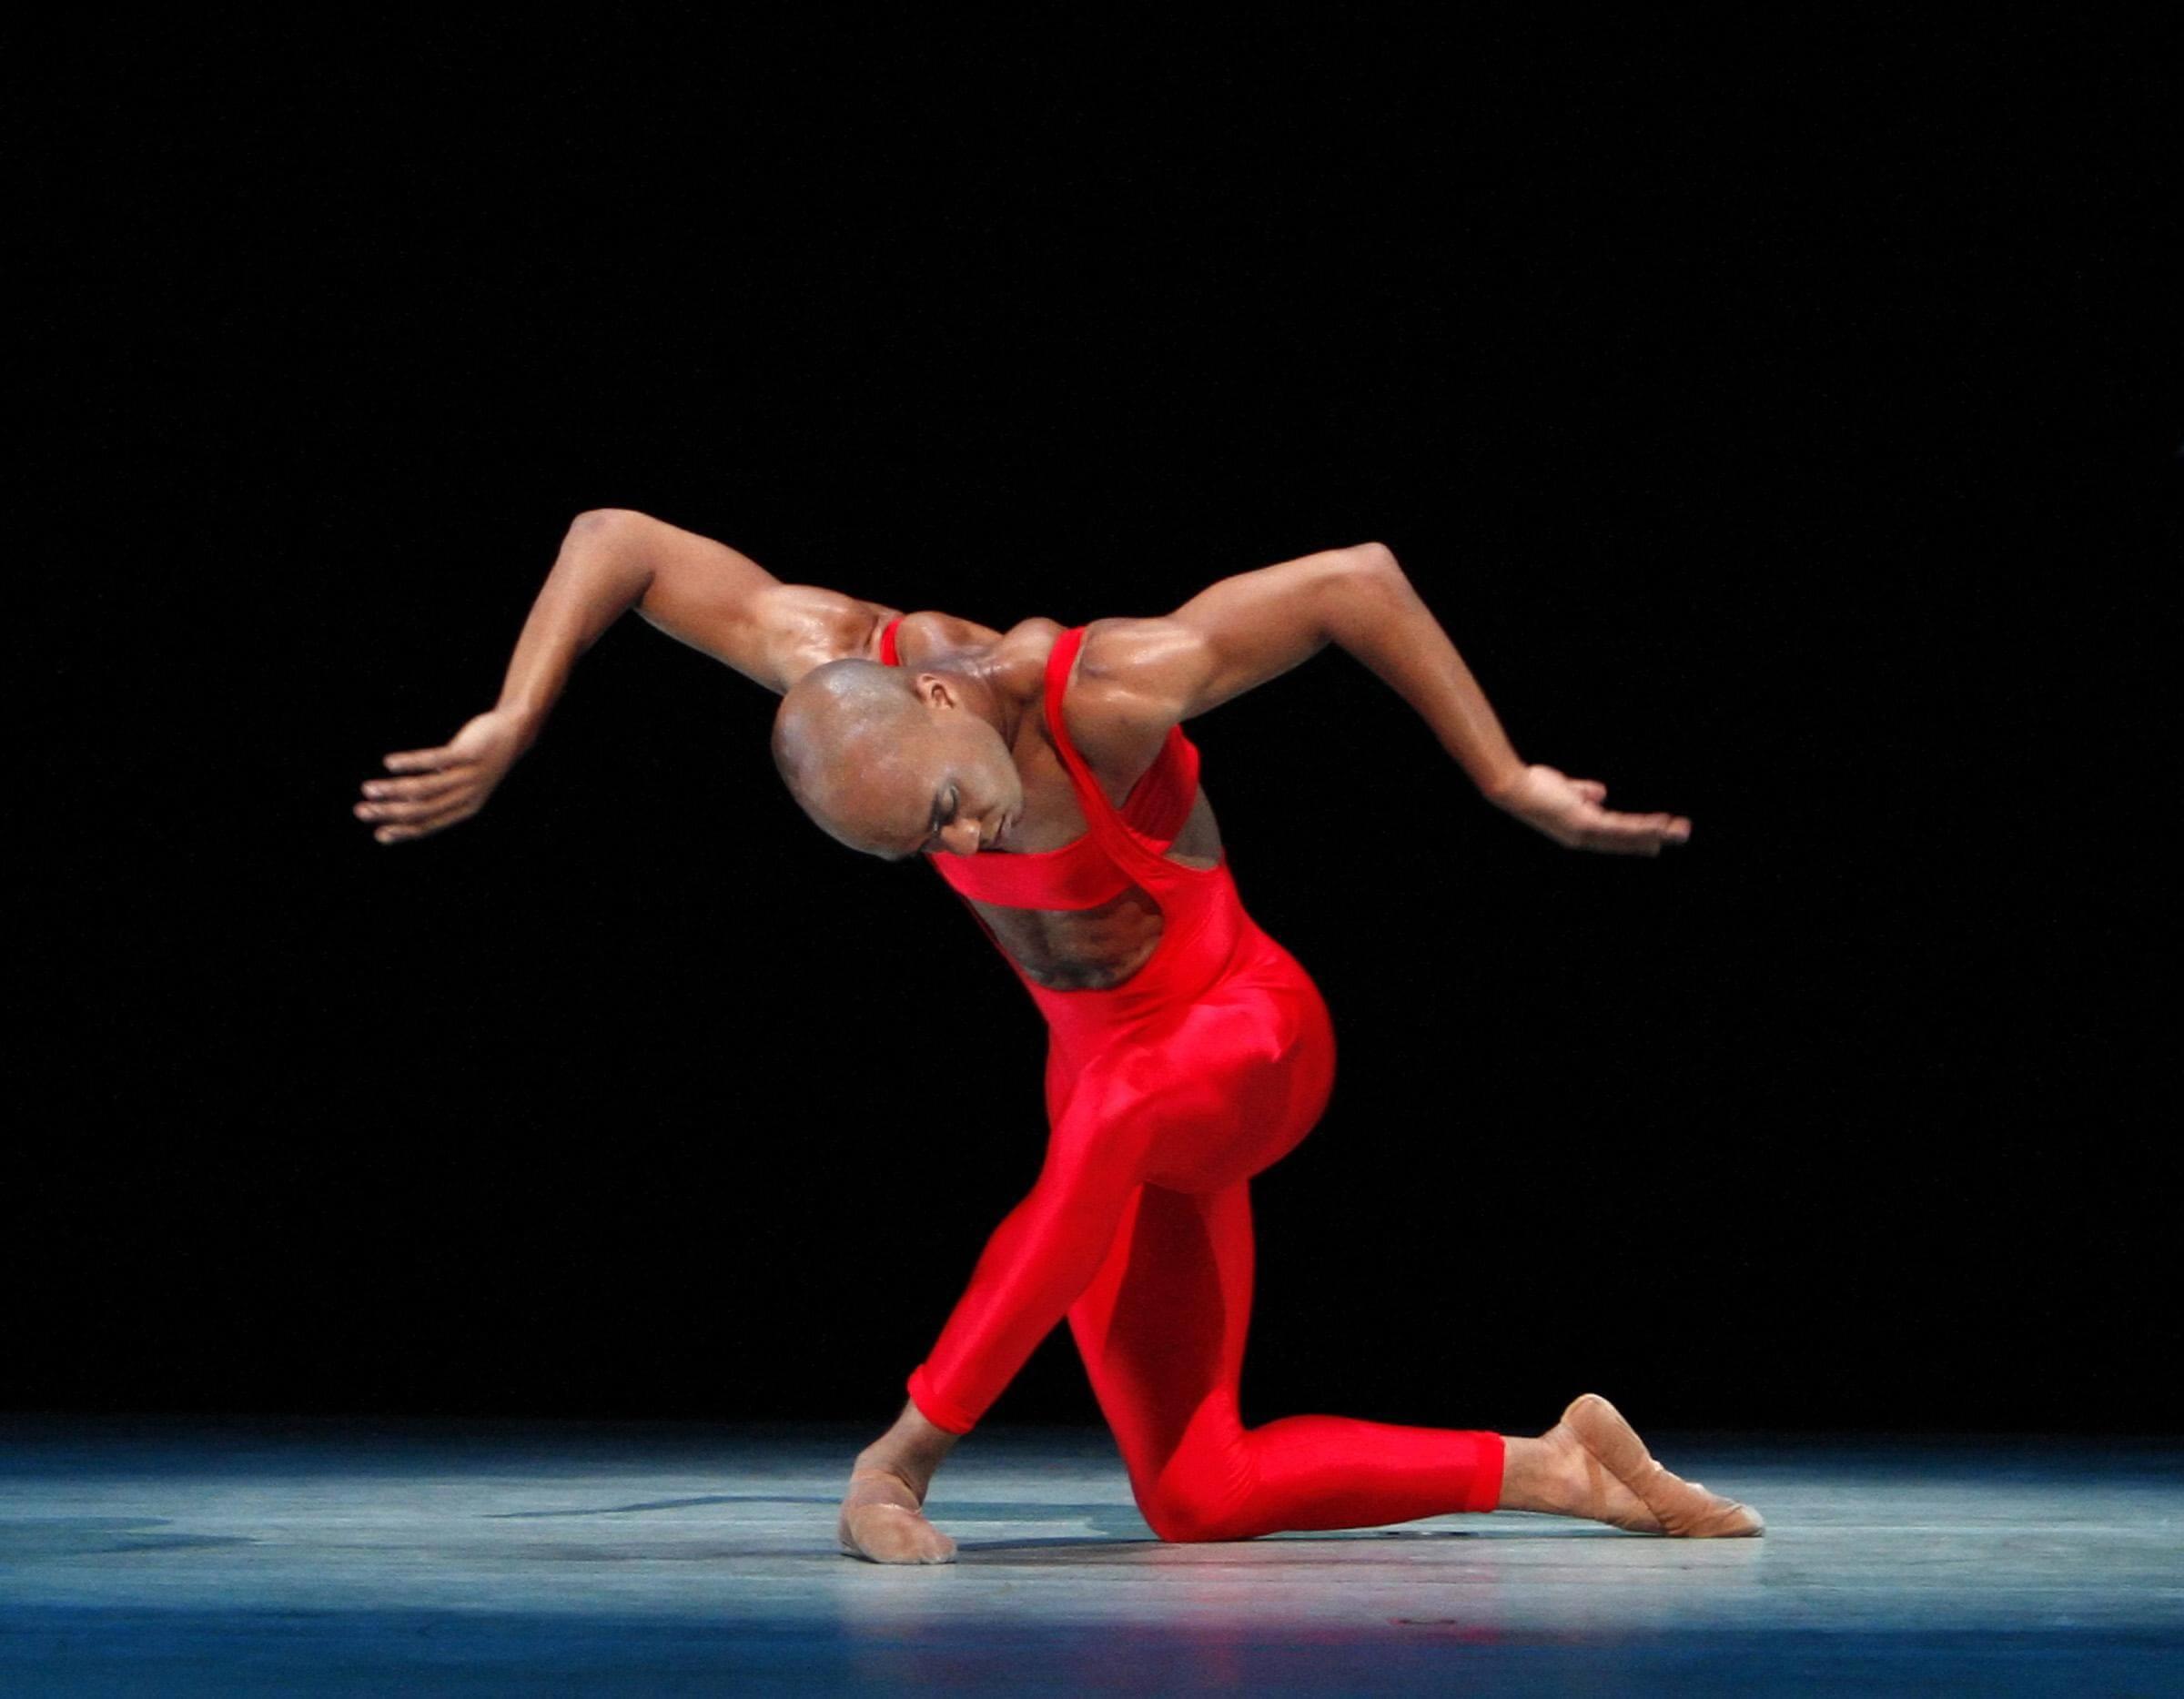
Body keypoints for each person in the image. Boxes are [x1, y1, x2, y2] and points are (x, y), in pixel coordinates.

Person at [354, 507, 1763, 1564]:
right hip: (1114, 1093)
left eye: (952, 807)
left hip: (1250, 1041)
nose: (962, 841)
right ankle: (1556, 1468)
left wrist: (1509, 777)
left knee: (1113, 1109)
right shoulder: (829, 655)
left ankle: (898, 1461)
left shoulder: (1103, 693)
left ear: (946, 699)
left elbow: (1357, 581)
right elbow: (616, 539)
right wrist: (515, 715)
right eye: (924, 843)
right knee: (1196, 1496)